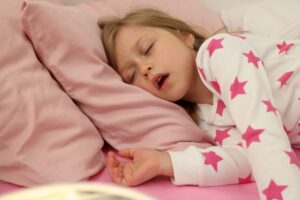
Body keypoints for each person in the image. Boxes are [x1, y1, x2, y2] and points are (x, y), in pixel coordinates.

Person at [99, 8, 300, 200]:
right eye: (132, 75)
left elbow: (264, 137)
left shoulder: (220, 51)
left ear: (186, 36)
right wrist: (165, 162)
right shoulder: (205, 118)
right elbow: (247, 160)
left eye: (148, 49)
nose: (144, 68)